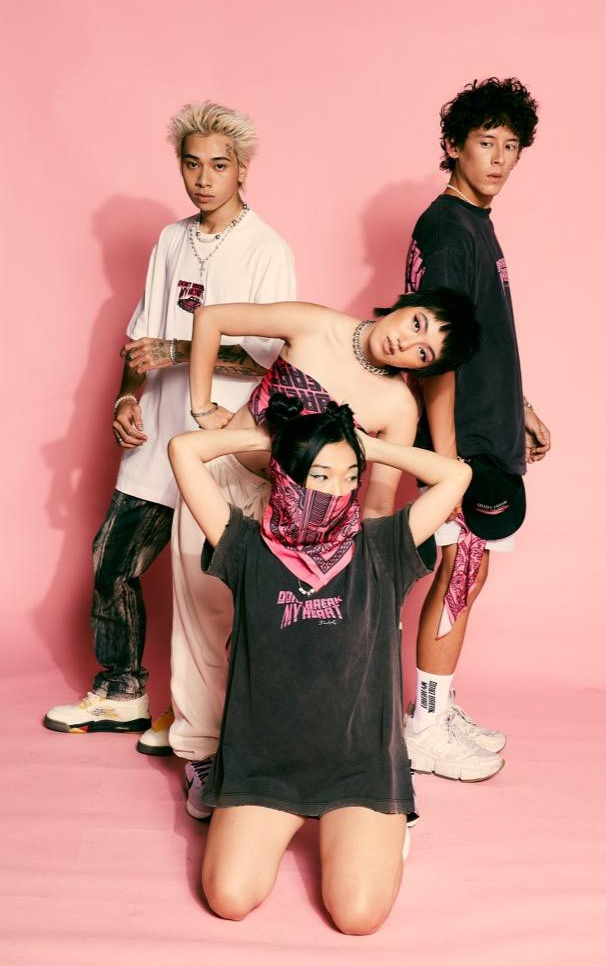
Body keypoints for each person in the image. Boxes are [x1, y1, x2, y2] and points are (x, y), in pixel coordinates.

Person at [168, 289, 497, 815]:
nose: (407, 344)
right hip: (220, 481)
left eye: (424, 353)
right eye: (417, 324)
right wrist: (203, 406)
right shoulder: (315, 324)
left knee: (271, 635)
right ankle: (202, 753)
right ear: (405, 305)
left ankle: (266, 754)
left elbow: (379, 503)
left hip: (300, 523)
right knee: (202, 619)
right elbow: (210, 317)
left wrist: (367, 579)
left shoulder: (398, 406)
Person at [168, 393, 474, 933]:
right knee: (229, 899)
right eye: (319, 476)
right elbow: (183, 450)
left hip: (360, 767)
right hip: (263, 766)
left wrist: (367, 445)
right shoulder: (244, 545)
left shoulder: (383, 546)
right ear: (286, 475)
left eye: (350, 476)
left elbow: (456, 475)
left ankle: (385, 829)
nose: (336, 491)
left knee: (357, 918)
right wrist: (273, 440)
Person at [44, 101, 296, 737]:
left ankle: (215, 717)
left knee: (214, 587)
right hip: (156, 437)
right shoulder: (169, 241)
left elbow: (270, 357)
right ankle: (121, 690)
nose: (204, 178)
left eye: (219, 165)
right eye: (192, 164)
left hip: (220, 446)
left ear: (242, 169)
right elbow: (141, 340)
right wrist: (126, 399)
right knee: (111, 562)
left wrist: (180, 351)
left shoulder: (267, 250)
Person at [403, 77, 552, 779]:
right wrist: (448, 460)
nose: (498, 159)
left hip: (486, 430)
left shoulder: (475, 224)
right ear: (453, 145)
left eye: (510, 146)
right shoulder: (446, 229)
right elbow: (433, 351)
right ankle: (426, 727)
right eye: (485, 142)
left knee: (470, 568)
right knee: (461, 568)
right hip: (459, 441)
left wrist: (519, 407)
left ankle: (438, 704)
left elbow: (480, 335)